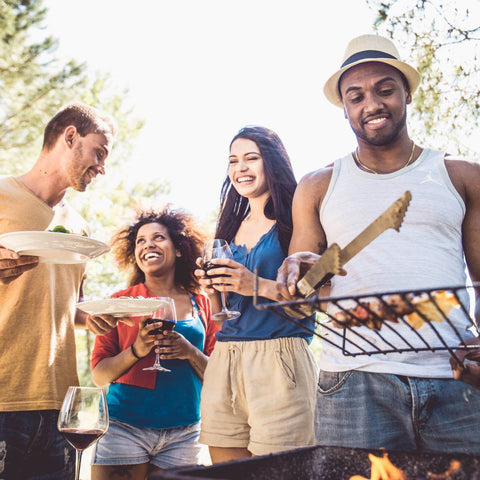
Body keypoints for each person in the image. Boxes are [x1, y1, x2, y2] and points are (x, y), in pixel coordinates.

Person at [276, 34, 480, 453]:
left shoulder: (460, 175)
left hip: (455, 379)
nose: (371, 104)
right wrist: (305, 271)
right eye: (357, 96)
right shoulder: (318, 186)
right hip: (353, 382)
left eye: (385, 90)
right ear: (346, 109)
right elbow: (301, 295)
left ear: (406, 93)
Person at [0, 102, 117, 479]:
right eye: (99, 152)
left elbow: (67, 306)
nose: (103, 167)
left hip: (60, 408)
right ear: (70, 136)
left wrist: (93, 317)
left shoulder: (78, 229)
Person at [195, 126, 318, 463]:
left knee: (278, 471)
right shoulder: (229, 226)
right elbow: (223, 310)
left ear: (272, 162)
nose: (240, 168)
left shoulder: (297, 219)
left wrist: (255, 285)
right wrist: (212, 292)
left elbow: (312, 298)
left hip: (281, 359)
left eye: (251, 158)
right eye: (233, 160)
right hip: (226, 358)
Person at [89, 207, 218, 479]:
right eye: (140, 240)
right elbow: (100, 375)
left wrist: (190, 352)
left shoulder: (204, 302)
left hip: (184, 433)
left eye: (158, 237)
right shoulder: (118, 302)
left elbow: (221, 376)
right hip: (123, 427)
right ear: (134, 254)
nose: (148, 244)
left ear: (179, 249)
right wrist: (137, 351)